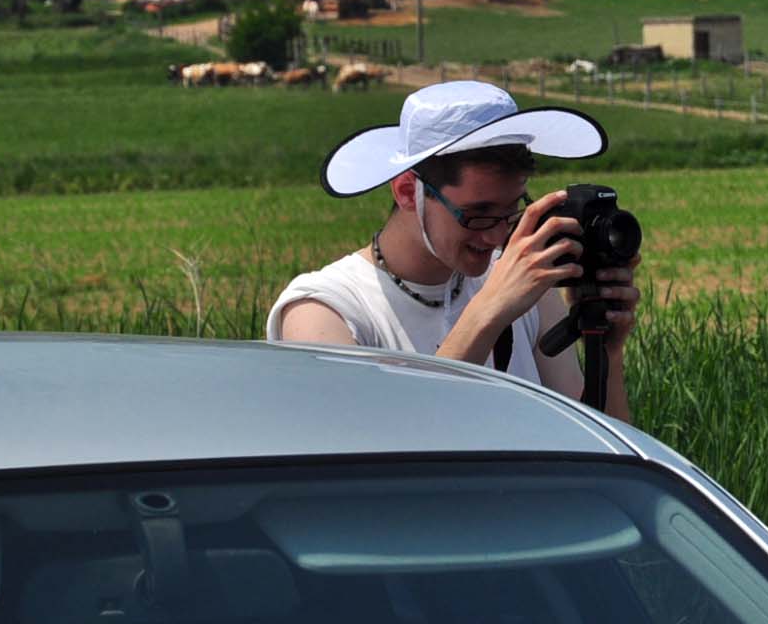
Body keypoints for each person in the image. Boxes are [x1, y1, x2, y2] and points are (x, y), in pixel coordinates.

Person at [266, 80, 639, 420]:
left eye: (511, 210)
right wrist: (488, 311)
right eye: (478, 214)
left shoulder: (528, 289)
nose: (497, 236)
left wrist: (606, 351)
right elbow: (374, 452)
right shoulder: (324, 310)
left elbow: (598, 443)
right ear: (408, 192)